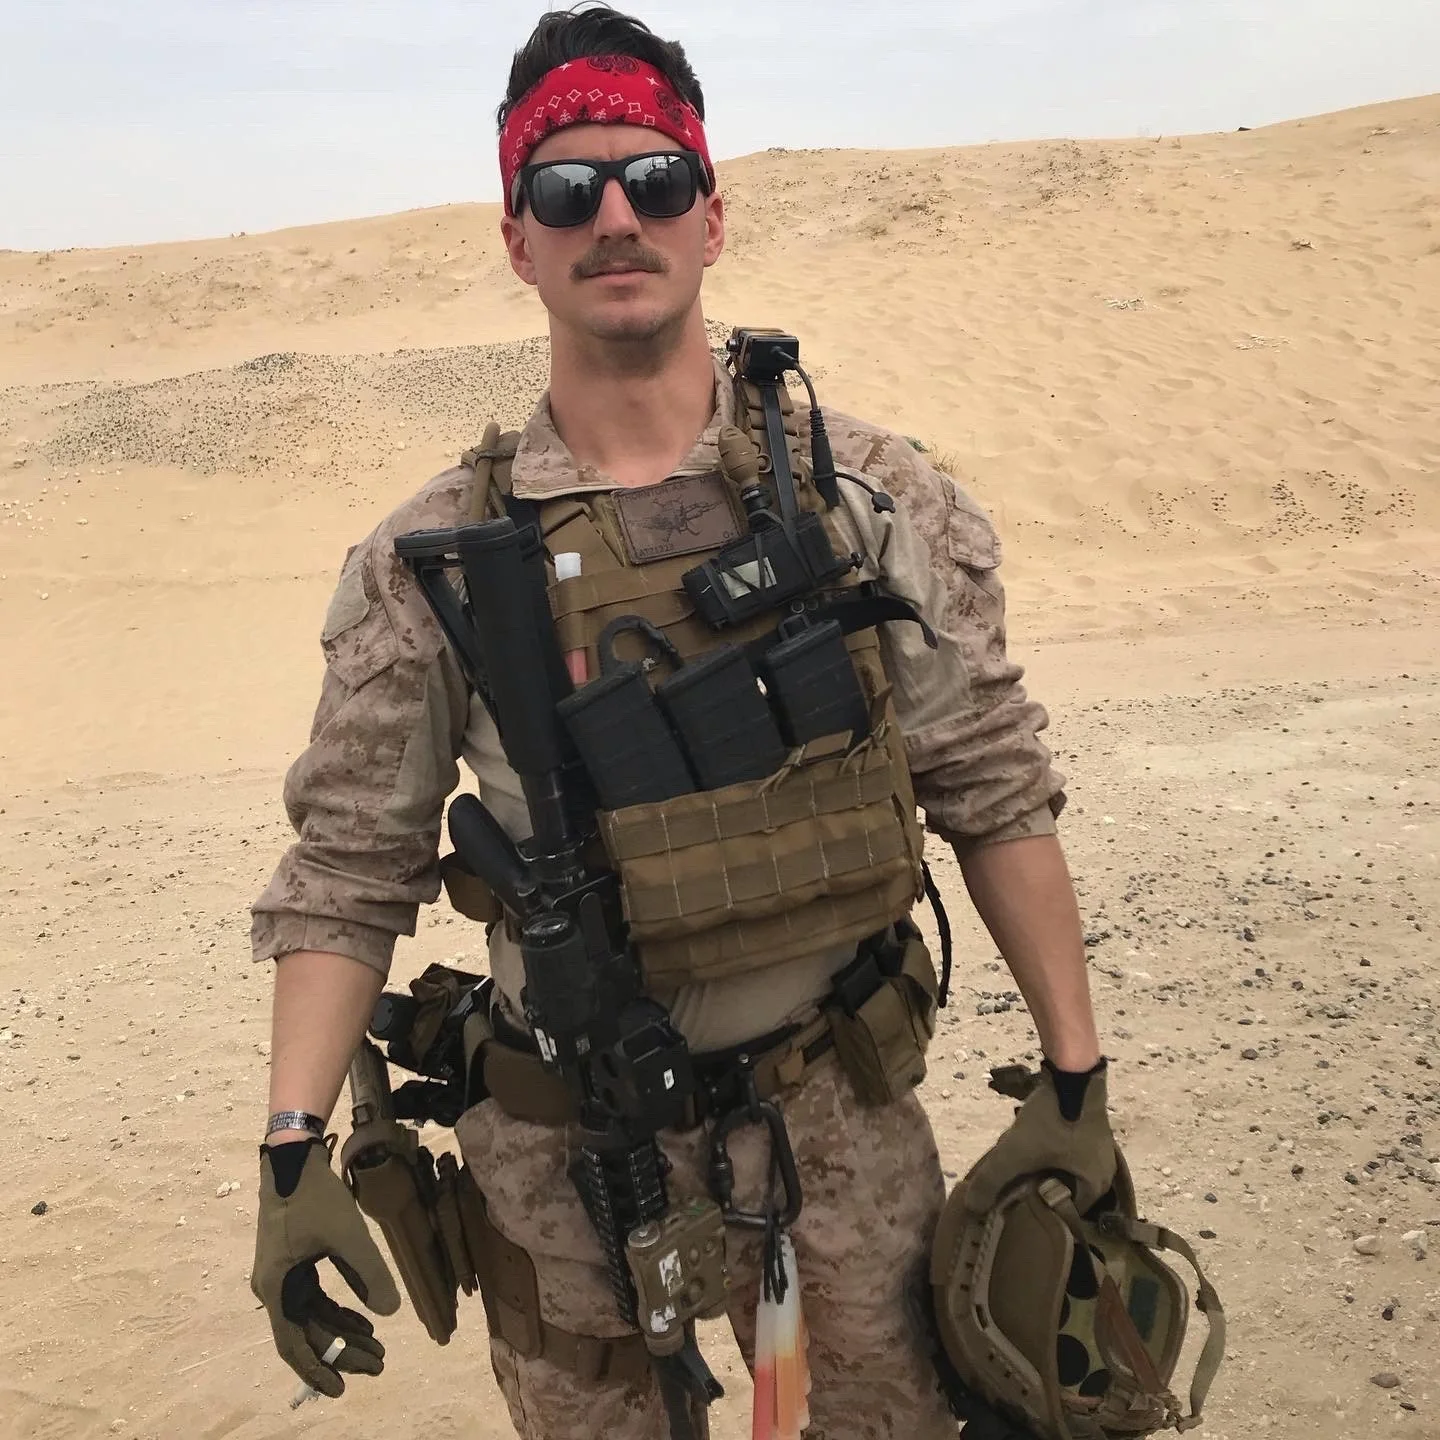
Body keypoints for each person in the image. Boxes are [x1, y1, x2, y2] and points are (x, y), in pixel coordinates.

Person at [248, 6, 1117, 1439]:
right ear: (518, 239)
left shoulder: (871, 498)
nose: (613, 217)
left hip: (840, 1128)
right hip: (566, 1156)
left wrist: (1076, 1078)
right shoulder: (438, 559)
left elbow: (991, 785)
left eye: (653, 179)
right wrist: (291, 1152)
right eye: (563, 187)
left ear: (711, 215)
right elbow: (349, 872)